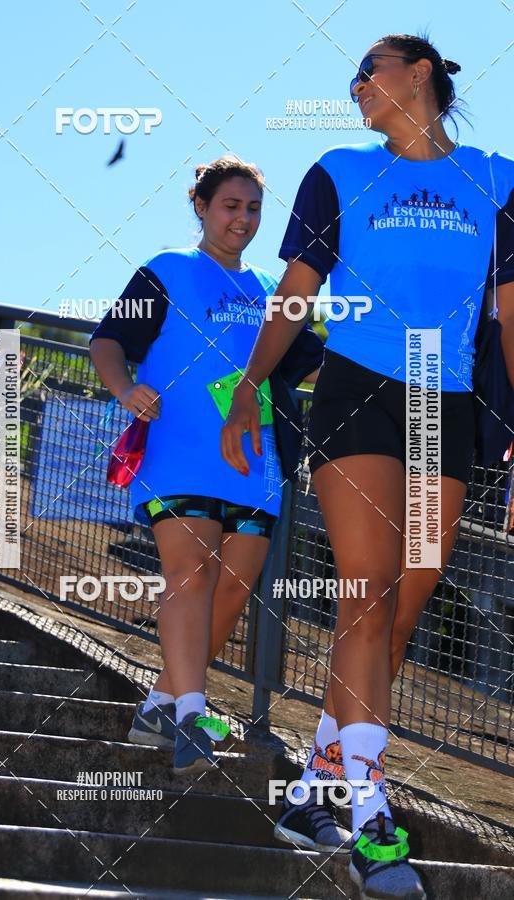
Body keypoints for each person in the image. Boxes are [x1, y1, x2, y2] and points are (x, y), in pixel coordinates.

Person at [221, 33, 514, 900]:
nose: (354, 89)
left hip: (444, 405)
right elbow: (297, 294)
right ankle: (373, 821)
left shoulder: (498, 180)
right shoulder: (338, 172)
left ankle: (313, 787)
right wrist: (250, 386)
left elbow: (509, 316)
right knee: (369, 590)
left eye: (368, 72)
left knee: (402, 607)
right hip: (356, 388)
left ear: (418, 74)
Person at [89, 156, 324, 775]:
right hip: (179, 448)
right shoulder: (167, 270)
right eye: (229, 205)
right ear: (200, 205)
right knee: (189, 573)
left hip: (255, 461)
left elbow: (308, 361)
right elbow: (108, 340)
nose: (241, 219)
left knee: (233, 588)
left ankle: (160, 705)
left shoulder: (269, 292)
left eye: (252, 208)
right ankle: (193, 711)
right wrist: (124, 390)